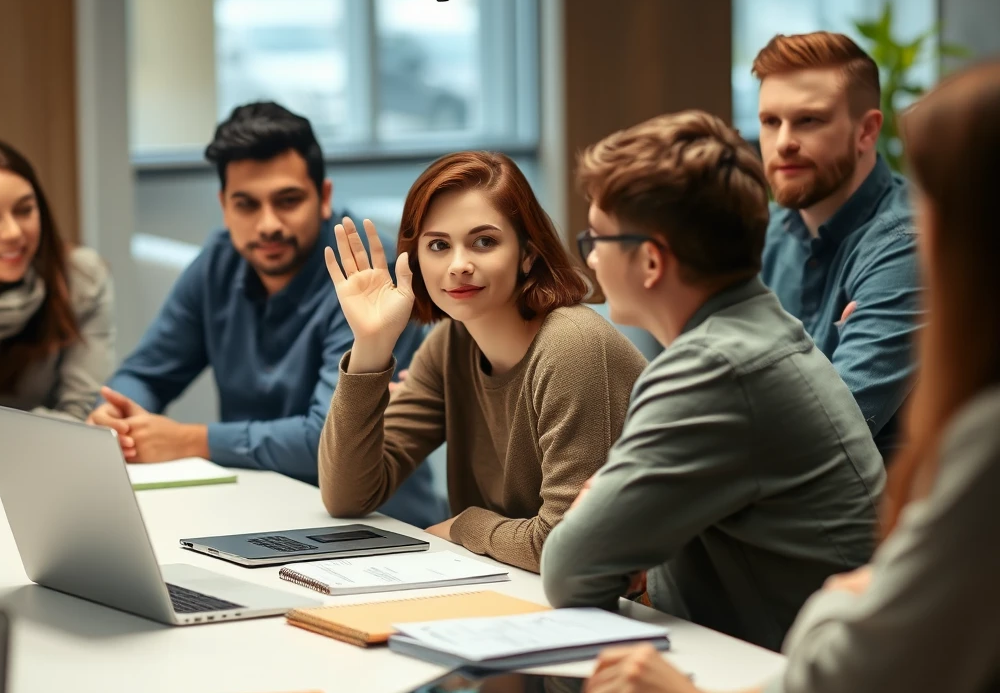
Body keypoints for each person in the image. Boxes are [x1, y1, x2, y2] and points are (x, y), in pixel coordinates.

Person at [583, 63, 1000, 693]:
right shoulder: (776, 249)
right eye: (770, 121)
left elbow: (852, 680)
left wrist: (842, 602)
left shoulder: (987, 438)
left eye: (931, 201)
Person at [540, 111, 884, 652]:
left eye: (598, 239)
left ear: (650, 261)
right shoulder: (759, 330)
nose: (593, 258)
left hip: (789, 680)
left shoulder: (712, 367)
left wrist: (604, 509)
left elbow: (568, 572)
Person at [88, 102, 442, 527]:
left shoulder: (371, 277)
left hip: (378, 526)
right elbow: (145, 373)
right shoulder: (218, 262)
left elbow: (326, 436)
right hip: (257, 512)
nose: (268, 224)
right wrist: (117, 419)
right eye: (246, 205)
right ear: (224, 205)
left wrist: (190, 440)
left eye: (287, 200)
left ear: (324, 197)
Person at [319, 151, 646, 571]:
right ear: (415, 261)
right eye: (439, 245)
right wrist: (371, 344)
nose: (459, 265)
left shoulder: (572, 346)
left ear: (527, 253)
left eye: (484, 242)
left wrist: (464, 526)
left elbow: (568, 546)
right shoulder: (450, 344)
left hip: (640, 604)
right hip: (519, 586)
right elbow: (347, 496)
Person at [756, 32, 923, 459]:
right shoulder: (761, 233)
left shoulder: (906, 246)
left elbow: (823, 435)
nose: (783, 142)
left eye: (808, 120)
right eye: (770, 121)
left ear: (867, 131)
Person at [0, 136, 114, 419]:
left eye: (24, 210)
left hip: (52, 446)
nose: (13, 232)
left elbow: (83, 412)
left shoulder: (81, 279)